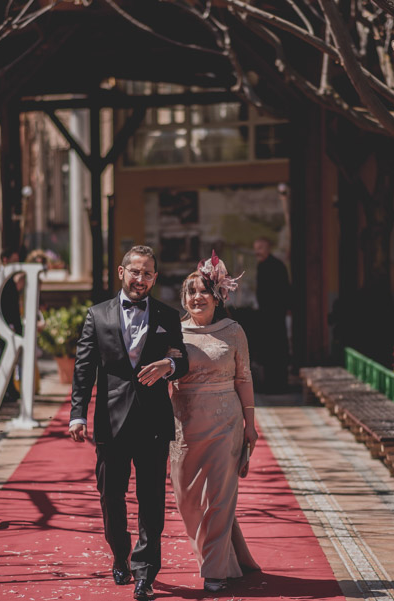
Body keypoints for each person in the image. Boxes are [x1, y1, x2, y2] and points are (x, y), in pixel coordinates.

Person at [69, 245, 189, 601]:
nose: (141, 278)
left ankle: (145, 573)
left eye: (148, 273)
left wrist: (168, 367)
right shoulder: (97, 315)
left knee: (151, 499)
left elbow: (182, 362)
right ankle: (119, 553)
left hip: (153, 421)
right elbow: (83, 369)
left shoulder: (168, 316)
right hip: (111, 420)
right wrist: (78, 413)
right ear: (122, 273)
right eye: (135, 271)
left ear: (155, 277)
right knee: (110, 495)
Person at [170, 251, 260, 593]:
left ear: (216, 297)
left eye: (202, 291)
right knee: (188, 500)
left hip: (226, 424)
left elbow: (245, 378)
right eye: (190, 293)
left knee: (220, 498)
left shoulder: (234, 331)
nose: (196, 298)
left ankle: (214, 570)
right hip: (184, 426)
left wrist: (250, 425)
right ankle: (225, 557)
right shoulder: (173, 334)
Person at [254, 237, 291, 392]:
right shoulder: (262, 266)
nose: (258, 251)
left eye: (261, 247)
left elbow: (283, 291)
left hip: (275, 315)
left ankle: (278, 384)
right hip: (266, 315)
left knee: (277, 349)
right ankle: (270, 383)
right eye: (256, 248)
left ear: (268, 248)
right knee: (268, 350)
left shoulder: (276, 266)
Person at [0, 247, 22, 402]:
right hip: (5, 325)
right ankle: (5, 391)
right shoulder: (1, 279)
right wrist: (11, 325)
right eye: (14, 260)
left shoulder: (9, 278)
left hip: (11, 324)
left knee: (11, 358)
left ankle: (10, 389)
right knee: (3, 357)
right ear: (5, 260)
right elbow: (5, 305)